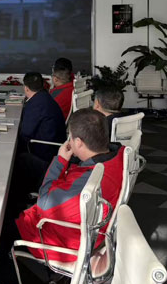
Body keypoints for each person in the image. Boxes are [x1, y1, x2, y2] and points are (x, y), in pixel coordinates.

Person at [15, 109, 125, 262]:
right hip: (85, 224)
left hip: (58, 240)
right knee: (25, 162)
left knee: (3, 224)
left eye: (70, 137)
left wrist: (60, 161)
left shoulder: (88, 181)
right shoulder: (117, 156)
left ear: (78, 143)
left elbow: (43, 204)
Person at [18, 72, 67, 162]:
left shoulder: (35, 104)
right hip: (56, 146)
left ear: (26, 88)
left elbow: (25, 133)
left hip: (45, 152)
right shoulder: (45, 96)